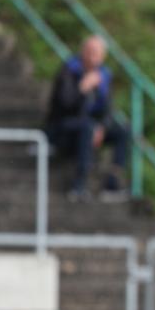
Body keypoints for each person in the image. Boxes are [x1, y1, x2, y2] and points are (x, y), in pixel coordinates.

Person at [46, 35, 129, 202]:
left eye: (97, 53)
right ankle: (79, 186)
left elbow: (108, 110)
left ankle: (112, 183)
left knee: (123, 130)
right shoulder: (69, 70)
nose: (93, 57)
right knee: (87, 127)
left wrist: (102, 127)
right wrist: (82, 88)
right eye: (90, 52)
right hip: (63, 127)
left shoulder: (104, 76)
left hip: (91, 126)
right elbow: (63, 104)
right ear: (83, 52)